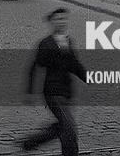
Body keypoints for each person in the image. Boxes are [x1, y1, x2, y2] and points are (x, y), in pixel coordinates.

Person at [20, 8, 87, 156]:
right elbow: (34, 67)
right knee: (69, 126)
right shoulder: (46, 43)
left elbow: (75, 65)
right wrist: (30, 91)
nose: (61, 22)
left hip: (67, 92)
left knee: (63, 126)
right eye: (58, 19)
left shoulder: (68, 42)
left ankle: (32, 142)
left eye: (64, 19)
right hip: (52, 92)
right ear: (52, 22)